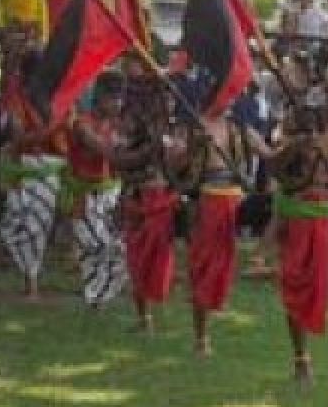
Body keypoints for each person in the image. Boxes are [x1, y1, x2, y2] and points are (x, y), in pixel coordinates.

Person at [272, 60, 328, 389]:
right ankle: (301, 359)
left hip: (326, 213)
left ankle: (304, 354)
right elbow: (275, 165)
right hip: (297, 210)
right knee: (295, 284)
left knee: (316, 288)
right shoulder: (304, 120)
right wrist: (296, 145)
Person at [180, 99, 276, 357]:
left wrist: (296, 144)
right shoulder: (197, 126)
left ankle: (259, 260)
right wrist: (194, 147)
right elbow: (180, 163)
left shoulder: (241, 129)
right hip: (208, 200)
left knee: (223, 266)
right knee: (203, 268)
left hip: (235, 201)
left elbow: (269, 155)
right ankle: (201, 339)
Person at [112, 56, 181, 333]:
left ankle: (151, 311)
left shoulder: (170, 131)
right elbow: (121, 159)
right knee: (136, 258)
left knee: (157, 257)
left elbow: (177, 163)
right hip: (137, 194)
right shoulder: (130, 125)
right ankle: (144, 318)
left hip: (160, 195)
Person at [0, 51, 70, 299]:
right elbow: (18, 139)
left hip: (54, 168)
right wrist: (50, 129)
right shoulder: (18, 102)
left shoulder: (59, 99)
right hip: (25, 168)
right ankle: (30, 281)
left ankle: (33, 285)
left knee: (37, 226)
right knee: (17, 227)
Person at [64, 72, 128, 309]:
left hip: (111, 195)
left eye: (120, 99)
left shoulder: (118, 125)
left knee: (113, 249)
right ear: (100, 98)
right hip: (85, 196)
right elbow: (104, 150)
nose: (118, 104)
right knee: (97, 246)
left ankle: (96, 299)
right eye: (114, 99)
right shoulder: (82, 124)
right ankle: (96, 295)